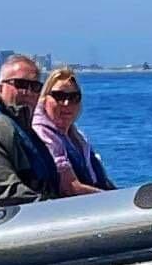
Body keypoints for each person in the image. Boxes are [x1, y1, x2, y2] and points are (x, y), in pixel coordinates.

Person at [0, 53, 63, 203]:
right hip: (23, 218)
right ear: (0, 88)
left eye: (35, 87)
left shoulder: (26, 130)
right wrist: (54, 209)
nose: (28, 92)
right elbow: (6, 191)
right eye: (20, 84)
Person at [31, 64, 113, 195]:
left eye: (74, 97)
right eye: (59, 96)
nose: (66, 103)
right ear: (44, 100)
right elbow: (69, 187)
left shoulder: (77, 136)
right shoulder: (43, 135)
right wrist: (111, 199)